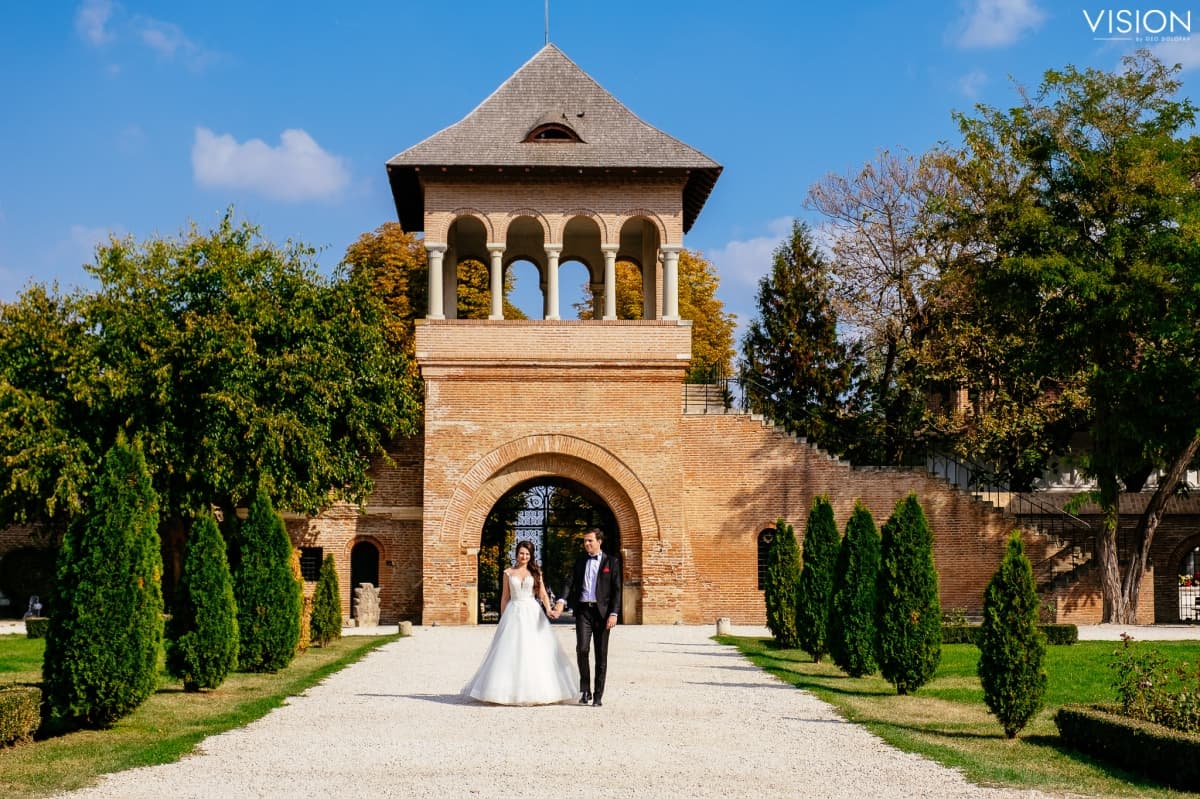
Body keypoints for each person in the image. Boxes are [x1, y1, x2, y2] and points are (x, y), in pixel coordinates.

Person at [462, 540, 577, 705]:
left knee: (536, 650)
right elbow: (504, 597)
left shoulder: (536, 572)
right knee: (510, 650)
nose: (524, 556)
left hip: (532, 611)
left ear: (531, 556)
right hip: (514, 611)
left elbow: (543, 593)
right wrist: (502, 619)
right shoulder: (508, 573)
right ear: (516, 554)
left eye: (527, 554)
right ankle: (504, 691)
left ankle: (541, 690)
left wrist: (549, 609)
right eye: (522, 553)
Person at [551, 528, 621, 707]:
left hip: (603, 614)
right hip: (583, 611)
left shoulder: (611, 562)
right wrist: (561, 600)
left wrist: (614, 613)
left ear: (600, 541)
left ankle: (598, 695)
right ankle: (585, 690)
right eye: (584, 541)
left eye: (590, 540)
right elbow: (569, 582)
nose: (586, 544)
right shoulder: (580, 561)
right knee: (582, 649)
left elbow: (616, 591)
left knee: (601, 654)